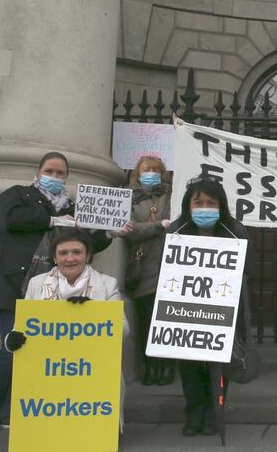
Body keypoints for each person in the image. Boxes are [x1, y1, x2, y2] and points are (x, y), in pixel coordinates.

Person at [0, 151, 111, 433]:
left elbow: (86, 242)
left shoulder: (72, 207)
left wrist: (111, 233)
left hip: (48, 292)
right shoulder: (16, 195)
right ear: (38, 172)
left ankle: (13, 410)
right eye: (50, 171)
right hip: (12, 287)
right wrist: (54, 220)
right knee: (11, 346)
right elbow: (13, 220)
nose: (55, 177)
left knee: (38, 352)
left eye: (61, 173)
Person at [172, 174, 250, 437]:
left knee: (219, 366)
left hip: (223, 310)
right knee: (190, 367)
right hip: (185, 310)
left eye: (210, 203)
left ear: (221, 205)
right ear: (188, 206)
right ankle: (194, 415)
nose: (204, 208)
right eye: (198, 203)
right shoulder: (177, 230)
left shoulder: (235, 231)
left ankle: (214, 415)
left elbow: (245, 271)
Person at [117, 156, 175, 386]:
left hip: (168, 264)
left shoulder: (170, 195)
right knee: (146, 320)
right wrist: (158, 226)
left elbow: (176, 223)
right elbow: (129, 230)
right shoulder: (129, 198)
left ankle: (167, 367)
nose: (151, 173)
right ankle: (150, 366)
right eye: (146, 169)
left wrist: (150, 228)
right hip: (143, 266)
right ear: (137, 174)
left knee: (167, 321)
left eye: (156, 170)